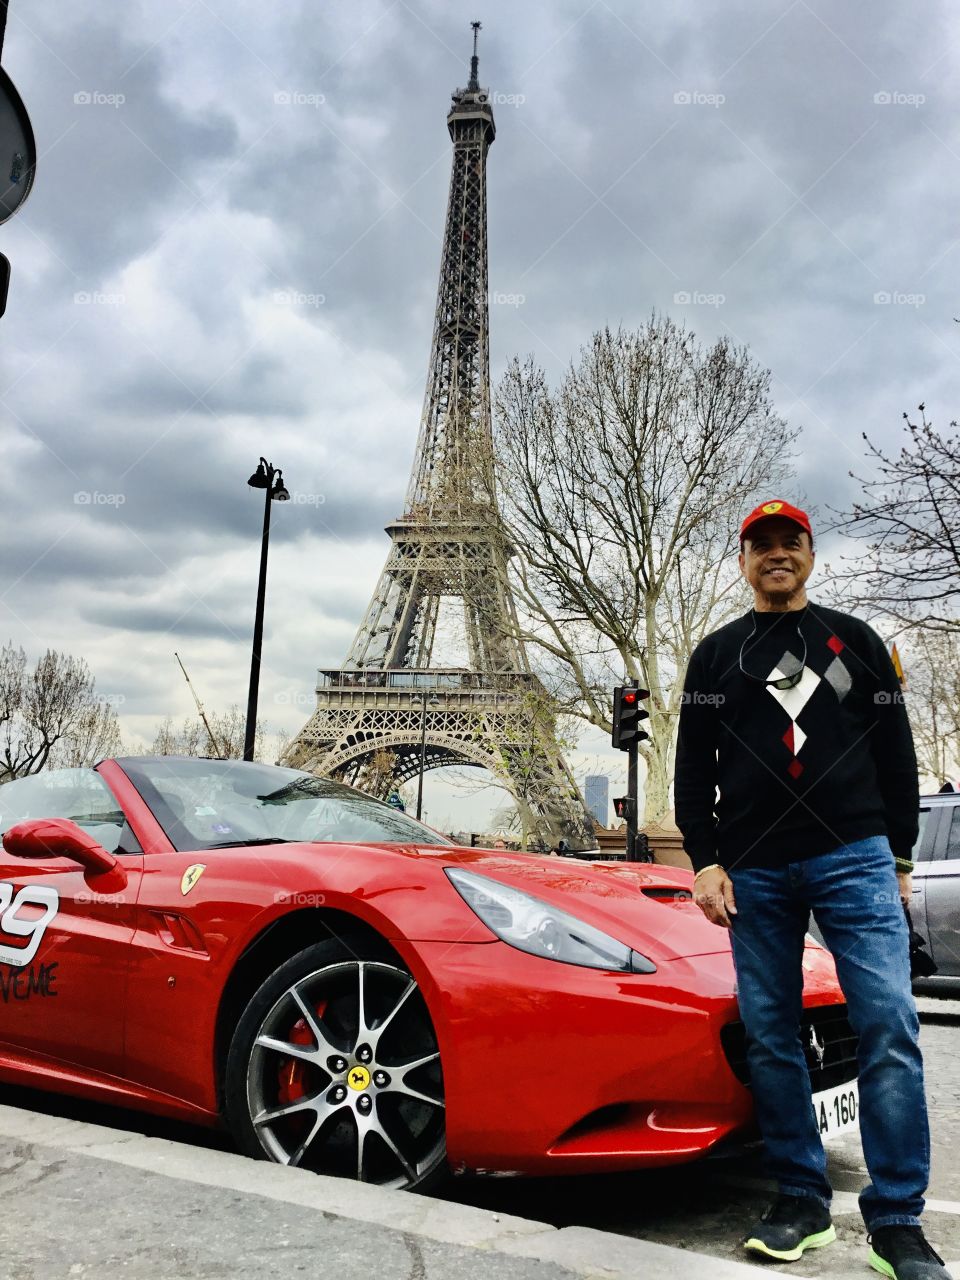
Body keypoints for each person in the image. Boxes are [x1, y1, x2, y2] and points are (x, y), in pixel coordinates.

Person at [674, 499, 950, 1280]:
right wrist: (704, 859)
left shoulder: (853, 644)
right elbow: (693, 771)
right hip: (754, 867)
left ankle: (897, 1221)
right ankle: (800, 1196)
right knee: (771, 1035)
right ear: (742, 562)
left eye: (789, 541)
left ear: (810, 553)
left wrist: (898, 857)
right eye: (761, 545)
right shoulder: (717, 657)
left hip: (855, 859)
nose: (776, 554)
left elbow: (897, 752)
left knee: (888, 1024)